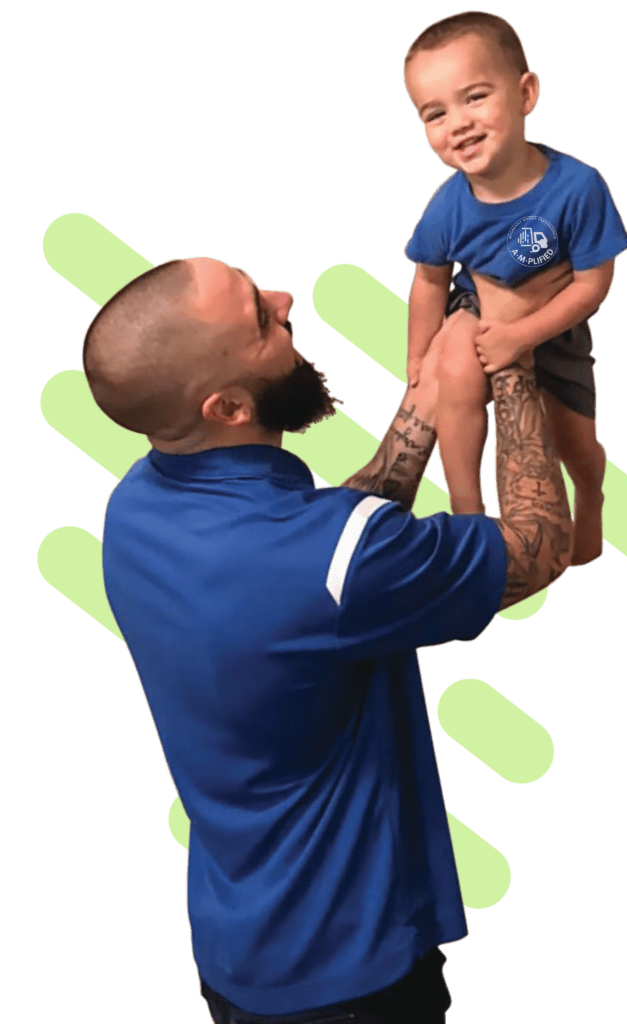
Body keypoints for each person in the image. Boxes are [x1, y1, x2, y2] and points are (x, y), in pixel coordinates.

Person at [82, 255, 572, 1023]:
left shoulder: (137, 509)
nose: (284, 300)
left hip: (239, 948)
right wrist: (508, 364)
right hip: (350, 979)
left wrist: (422, 401)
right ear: (229, 406)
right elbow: (540, 545)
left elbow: (328, 558)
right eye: (258, 319)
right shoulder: (326, 561)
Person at [403, 9, 627, 566]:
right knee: (455, 365)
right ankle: (468, 514)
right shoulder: (447, 204)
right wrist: (416, 360)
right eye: (435, 113)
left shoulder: (577, 185)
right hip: (476, 313)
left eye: (475, 97)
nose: (457, 122)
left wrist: (524, 333)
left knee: (573, 444)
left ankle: (592, 500)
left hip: (556, 331)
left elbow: (593, 283)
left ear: (526, 92)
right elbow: (429, 280)